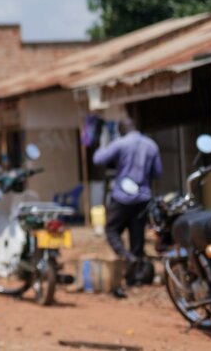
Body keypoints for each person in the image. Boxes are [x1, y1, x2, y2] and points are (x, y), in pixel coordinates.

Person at [92, 118, 162, 293]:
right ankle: (135, 278)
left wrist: (104, 143)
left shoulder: (120, 143)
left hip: (122, 196)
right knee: (137, 237)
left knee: (111, 230)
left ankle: (126, 256)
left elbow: (98, 159)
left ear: (121, 130)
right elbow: (158, 172)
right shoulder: (151, 145)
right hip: (143, 198)